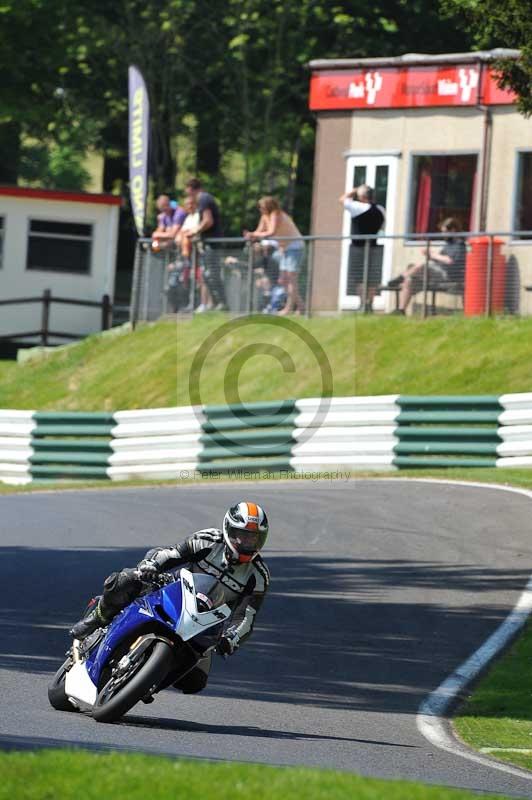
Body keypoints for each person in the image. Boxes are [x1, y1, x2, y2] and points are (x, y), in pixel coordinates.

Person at [70, 502, 270, 694]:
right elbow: (171, 554)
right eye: (241, 536)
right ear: (229, 529)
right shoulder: (208, 540)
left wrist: (231, 639)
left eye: (253, 539)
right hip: (174, 592)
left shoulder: (258, 575)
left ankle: (145, 682)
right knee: (127, 579)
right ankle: (98, 617)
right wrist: (151, 565)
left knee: (195, 682)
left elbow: (246, 616)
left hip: (206, 622)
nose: (245, 543)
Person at [387, 217, 466, 315]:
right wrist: (430, 255)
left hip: (448, 276)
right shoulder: (448, 244)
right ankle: (401, 310)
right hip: (436, 275)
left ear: (453, 230)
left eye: (445, 232)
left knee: (423, 266)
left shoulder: (459, 245)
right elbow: (439, 259)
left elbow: (449, 261)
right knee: (410, 281)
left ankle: (401, 277)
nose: (443, 234)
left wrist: (432, 254)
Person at [244, 196, 304, 315]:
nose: (260, 209)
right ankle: (301, 306)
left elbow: (272, 232)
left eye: (262, 207)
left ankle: (289, 308)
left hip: (294, 247)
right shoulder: (265, 216)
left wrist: (254, 234)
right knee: (283, 280)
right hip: (285, 249)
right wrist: (252, 235)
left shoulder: (276, 214)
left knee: (291, 279)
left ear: (268, 206)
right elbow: (259, 230)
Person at [339, 184, 385, 313]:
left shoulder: (358, 207)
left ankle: (362, 303)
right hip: (374, 247)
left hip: (358, 248)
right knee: (371, 277)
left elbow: (342, 199)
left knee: (359, 276)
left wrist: (354, 190)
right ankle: (370, 304)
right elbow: (382, 228)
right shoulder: (380, 209)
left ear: (362, 197)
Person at [184, 178, 227, 310]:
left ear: (193, 189)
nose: (188, 196)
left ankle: (222, 303)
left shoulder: (203, 199)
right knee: (207, 274)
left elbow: (208, 221)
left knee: (212, 273)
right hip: (209, 244)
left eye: (189, 192)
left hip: (212, 244)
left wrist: (195, 231)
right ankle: (215, 303)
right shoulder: (204, 199)